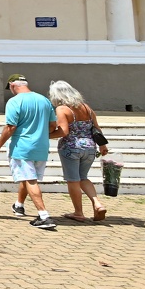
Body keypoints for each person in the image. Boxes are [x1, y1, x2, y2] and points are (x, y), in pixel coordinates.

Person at [0, 74, 58, 230]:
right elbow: (53, 125)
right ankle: (19, 205)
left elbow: (10, 127)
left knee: (30, 180)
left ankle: (44, 216)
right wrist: (39, 134)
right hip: (41, 147)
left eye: (10, 88)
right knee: (28, 178)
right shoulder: (44, 100)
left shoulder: (14, 102)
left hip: (22, 147)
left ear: (13, 85)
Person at [48, 80, 109, 221]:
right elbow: (97, 128)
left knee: (73, 180)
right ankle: (97, 204)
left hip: (70, 148)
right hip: (90, 147)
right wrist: (103, 145)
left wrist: (45, 136)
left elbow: (63, 131)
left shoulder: (62, 109)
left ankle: (78, 212)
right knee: (83, 177)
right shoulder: (86, 107)